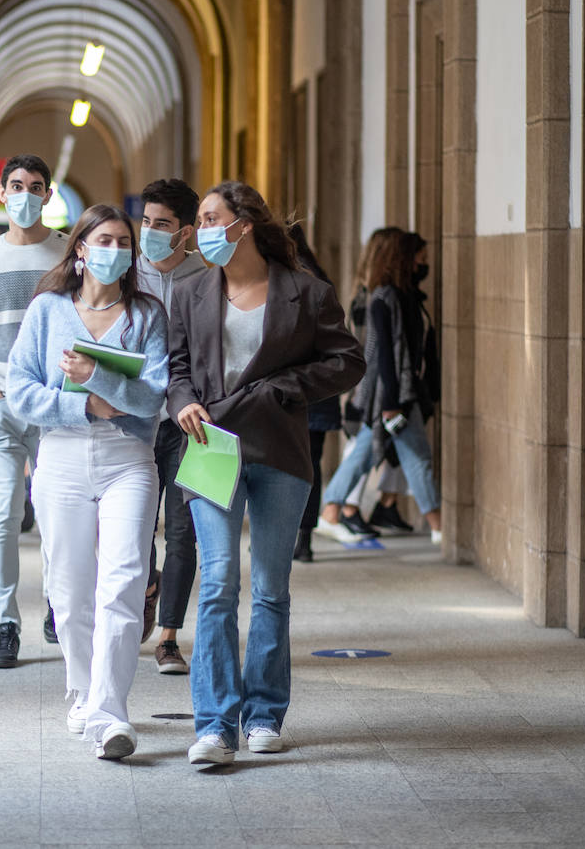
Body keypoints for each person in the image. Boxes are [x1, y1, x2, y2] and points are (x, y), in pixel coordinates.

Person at [166, 181, 364, 766]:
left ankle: (264, 714)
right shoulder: (191, 292)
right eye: (198, 221)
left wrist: (284, 389)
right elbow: (178, 365)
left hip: (279, 450)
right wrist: (182, 401)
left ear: (243, 224)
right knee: (221, 580)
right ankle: (215, 725)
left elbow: (348, 360)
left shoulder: (306, 292)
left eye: (209, 218)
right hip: (210, 446)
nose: (199, 231)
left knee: (272, 588)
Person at [6, 203, 168, 760]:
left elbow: (151, 396)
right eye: (104, 240)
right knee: (70, 591)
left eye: (124, 242)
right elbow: (21, 389)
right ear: (79, 250)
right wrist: (86, 407)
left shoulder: (146, 314)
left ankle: (109, 712)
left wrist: (95, 378)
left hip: (129, 459)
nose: (115, 250)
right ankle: (80, 688)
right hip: (62, 457)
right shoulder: (48, 310)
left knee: (123, 581)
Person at [0, 154, 70, 669]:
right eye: (17, 185)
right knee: (2, 511)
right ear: (1, 192)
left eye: (36, 186)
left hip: (52, 406)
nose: (26, 194)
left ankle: (56, 607)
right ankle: (3, 624)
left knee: (54, 513)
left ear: (48, 195)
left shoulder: (69, 257)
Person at [319, 229, 443, 544]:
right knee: (417, 458)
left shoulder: (408, 297)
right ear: (403, 260)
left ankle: (332, 508)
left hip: (398, 393)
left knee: (364, 453)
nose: (424, 264)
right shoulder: (383, 299)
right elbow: (382, 356)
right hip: (391, 396)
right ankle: (440, 525)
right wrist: (390, 402)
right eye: (421, 258)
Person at [135, 178, 207, 673]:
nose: (150, 233)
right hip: (135, 422)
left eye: (162, 225)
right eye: (146, 222)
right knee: (136, 528)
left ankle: (169, 636)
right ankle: (145, 586)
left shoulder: (207, 277)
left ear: (184, 233)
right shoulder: (124, 274)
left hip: (188, 424)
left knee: (184, 532)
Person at [288, 226, 345, 563]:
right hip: (320, 391)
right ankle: (304, 539)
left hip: (293, 391)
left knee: (283, 465)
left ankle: (286, 532)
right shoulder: (323, 284)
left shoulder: (284, 286)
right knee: (311, 466)